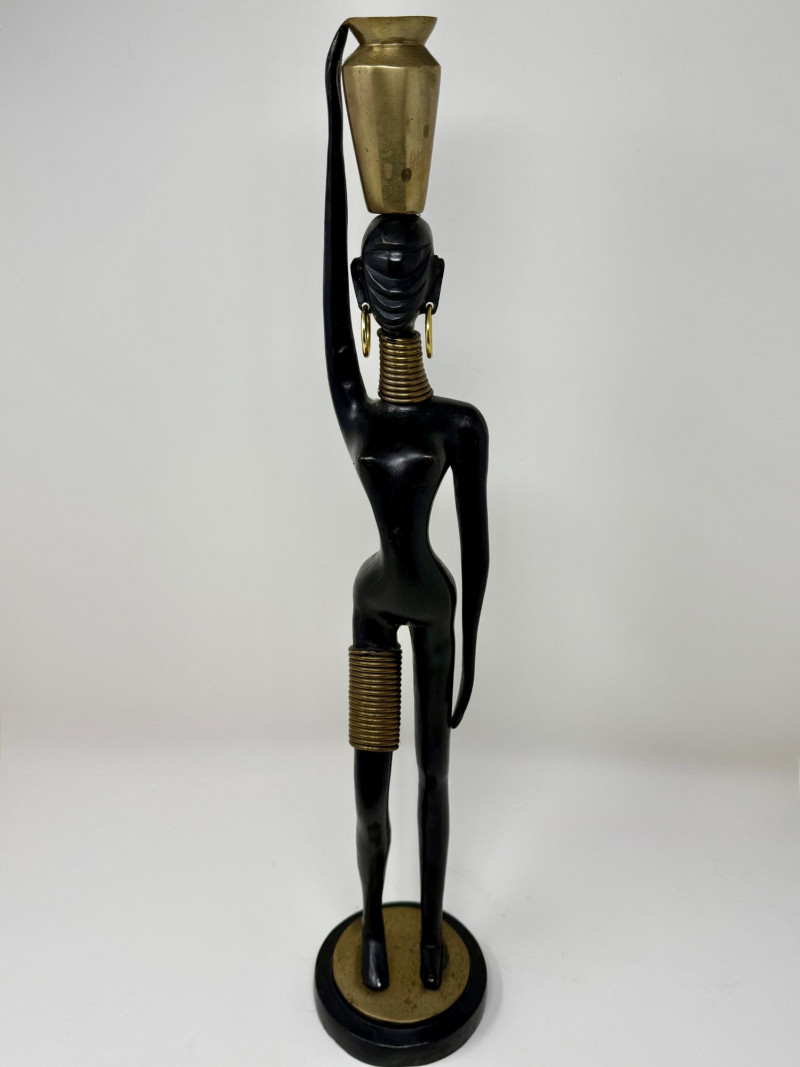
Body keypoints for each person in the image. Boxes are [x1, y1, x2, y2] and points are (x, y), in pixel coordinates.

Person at [323, 24, 489, 993]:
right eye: (377, 266)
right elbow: (323, 289)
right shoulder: (358, 410)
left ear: (435, 280)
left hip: (434, 607)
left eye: (409, 264)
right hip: (374, 605)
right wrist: (329, 113)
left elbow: (478, 551)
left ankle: (427, 927)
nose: (393, 276)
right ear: (360, 281)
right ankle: (375, 927)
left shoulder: (456, 423)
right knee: (370, 782)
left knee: (434, 773)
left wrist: (472, 655)